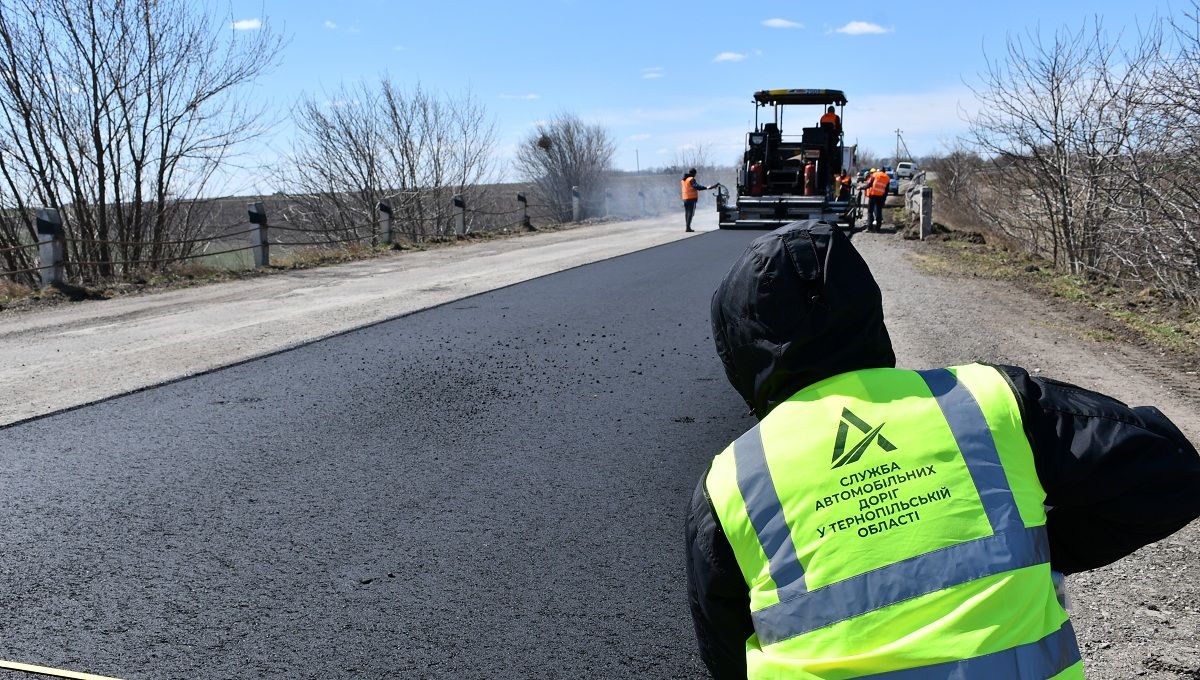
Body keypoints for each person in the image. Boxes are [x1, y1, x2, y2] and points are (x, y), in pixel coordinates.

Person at [687, 221, 1200, 679]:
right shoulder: (987, 400)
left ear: (739, 343)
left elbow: (725, 647)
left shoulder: (731, 481)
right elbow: (1171, 471)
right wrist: (1036, 550)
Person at [681, 168, 711, 232]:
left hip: (685, 198)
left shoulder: (684, 180)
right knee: (691, 213)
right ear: (694, 173)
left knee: (687, 213)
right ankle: (688, 228)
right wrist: (706, 187)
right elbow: (696, 186)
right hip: (691, 199)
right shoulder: (691, 179)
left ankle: (687, 227)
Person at [865, 166, 889, 231]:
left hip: (873, 195)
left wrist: (862, 187)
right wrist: (884, 200)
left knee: (870, 211)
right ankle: (878, 228)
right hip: (881, 196)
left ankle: (869, 227)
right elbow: (886, 190)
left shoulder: (875, 174)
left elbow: (869, 184)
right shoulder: (887, 177)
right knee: (879, 211)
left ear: (879, 170)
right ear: (884, 171)